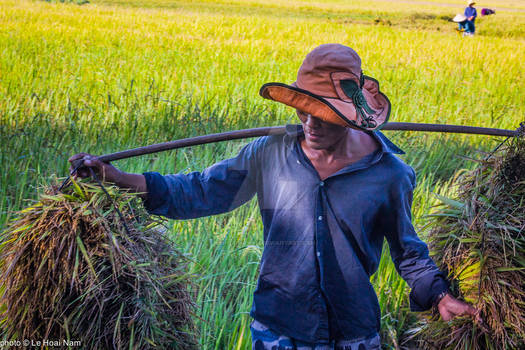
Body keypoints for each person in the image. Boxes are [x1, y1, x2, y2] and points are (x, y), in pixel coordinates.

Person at [70, 44, 481, 350]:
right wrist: (116, 178)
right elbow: (202, 190)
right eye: (302, 109)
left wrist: (441, 296)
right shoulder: (268, 152)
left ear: (351, 117)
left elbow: (407, 250)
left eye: (322, 114)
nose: (308, 123)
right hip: (277, 328)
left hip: (352, 333)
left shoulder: (389, 174)